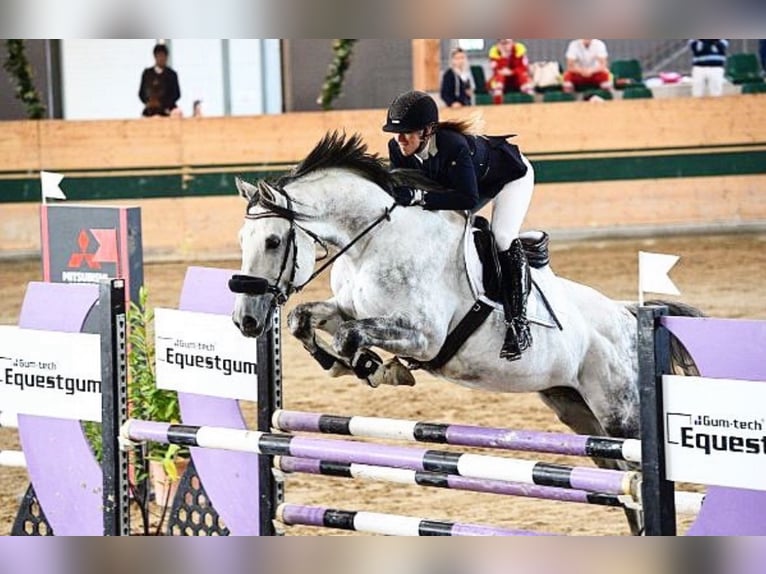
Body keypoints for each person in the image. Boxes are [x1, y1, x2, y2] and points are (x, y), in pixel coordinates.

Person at [383, 90, 536, 361]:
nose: (400, 139)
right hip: (463, 185)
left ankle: (518, 323)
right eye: (397, 132)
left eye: (407, 132)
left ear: (428, 131)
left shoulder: (453, 146)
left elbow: (468, 197)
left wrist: (419, 197)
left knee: (501, 237)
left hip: (509, 177)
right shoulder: (398, 150)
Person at [138, 43, 181, 117]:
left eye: (164, 56)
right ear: (155, 57)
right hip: (150, 110)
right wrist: (148, 102)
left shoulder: (172, 74)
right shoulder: (147, 74)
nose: (162, 58)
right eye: (159, 56)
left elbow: (176, 94)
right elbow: (141, 93)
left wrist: (162, 103)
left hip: (168, 110)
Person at [487, 39, 534, 103]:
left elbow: (524, 68)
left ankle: (528, 97)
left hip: (516, 79)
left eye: (507, 43)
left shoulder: (519, 50)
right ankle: (498, 96)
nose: (505, 46)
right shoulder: (494, 52)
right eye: (503, 43)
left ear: (513, 43)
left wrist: (512, 72)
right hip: (502, 81)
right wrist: (503, 56)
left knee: (522, 75)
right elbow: (496, 70)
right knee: (499, 76)